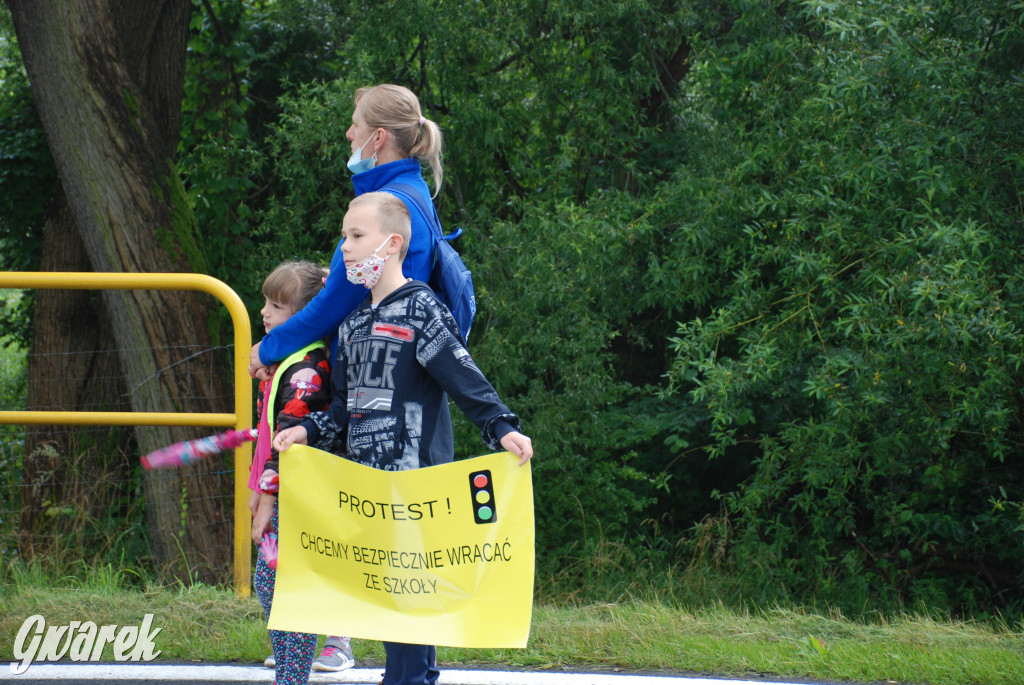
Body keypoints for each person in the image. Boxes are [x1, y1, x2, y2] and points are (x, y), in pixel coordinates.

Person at [273, 192, 533, 685]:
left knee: (410, 597)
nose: (345, 248)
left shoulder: (420, 309)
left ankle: (410, 679)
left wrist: (501, 426)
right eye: (344, 236)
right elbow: (343, 411)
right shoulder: (350, 327)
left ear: (392, 244)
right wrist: (306, 429)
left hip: (415, 488)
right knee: (386, 595)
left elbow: (464, 376)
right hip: (365, 490)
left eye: (356, 236)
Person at [248, 83, 447, 672]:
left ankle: (395, 669)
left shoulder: (392, 206)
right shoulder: (408, 196)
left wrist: (270, 345)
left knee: (394, 551)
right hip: (396, 398)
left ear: (378, 137)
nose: (347, 134)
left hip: (388, 405)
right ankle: (406, 671)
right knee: (395, 550)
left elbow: (333, 303)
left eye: (354, 124)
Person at [249, 261, 334, 684]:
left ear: (304, 317)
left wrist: (265, 496)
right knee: (272, 583)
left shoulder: (306, 371)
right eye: (266, 301)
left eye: (277, 306)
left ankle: (293, 674)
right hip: (286, 491)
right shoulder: (290, 361)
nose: (265, 312)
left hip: (297, 494)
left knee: (284, 586)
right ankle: (289, 670)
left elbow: (287, 440)